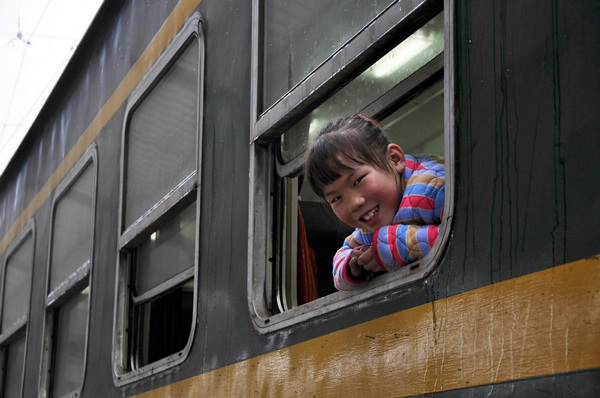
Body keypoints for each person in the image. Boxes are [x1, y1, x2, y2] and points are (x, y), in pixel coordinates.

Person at [304, 115, 445, 290]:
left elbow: (466, 233)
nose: (354, 203)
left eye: (358, 181)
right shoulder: (367, 226)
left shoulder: (433, 187)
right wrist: (355, 265)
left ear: (394, 159)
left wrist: (392, 246)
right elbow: (342, 257)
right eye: (336, 198)